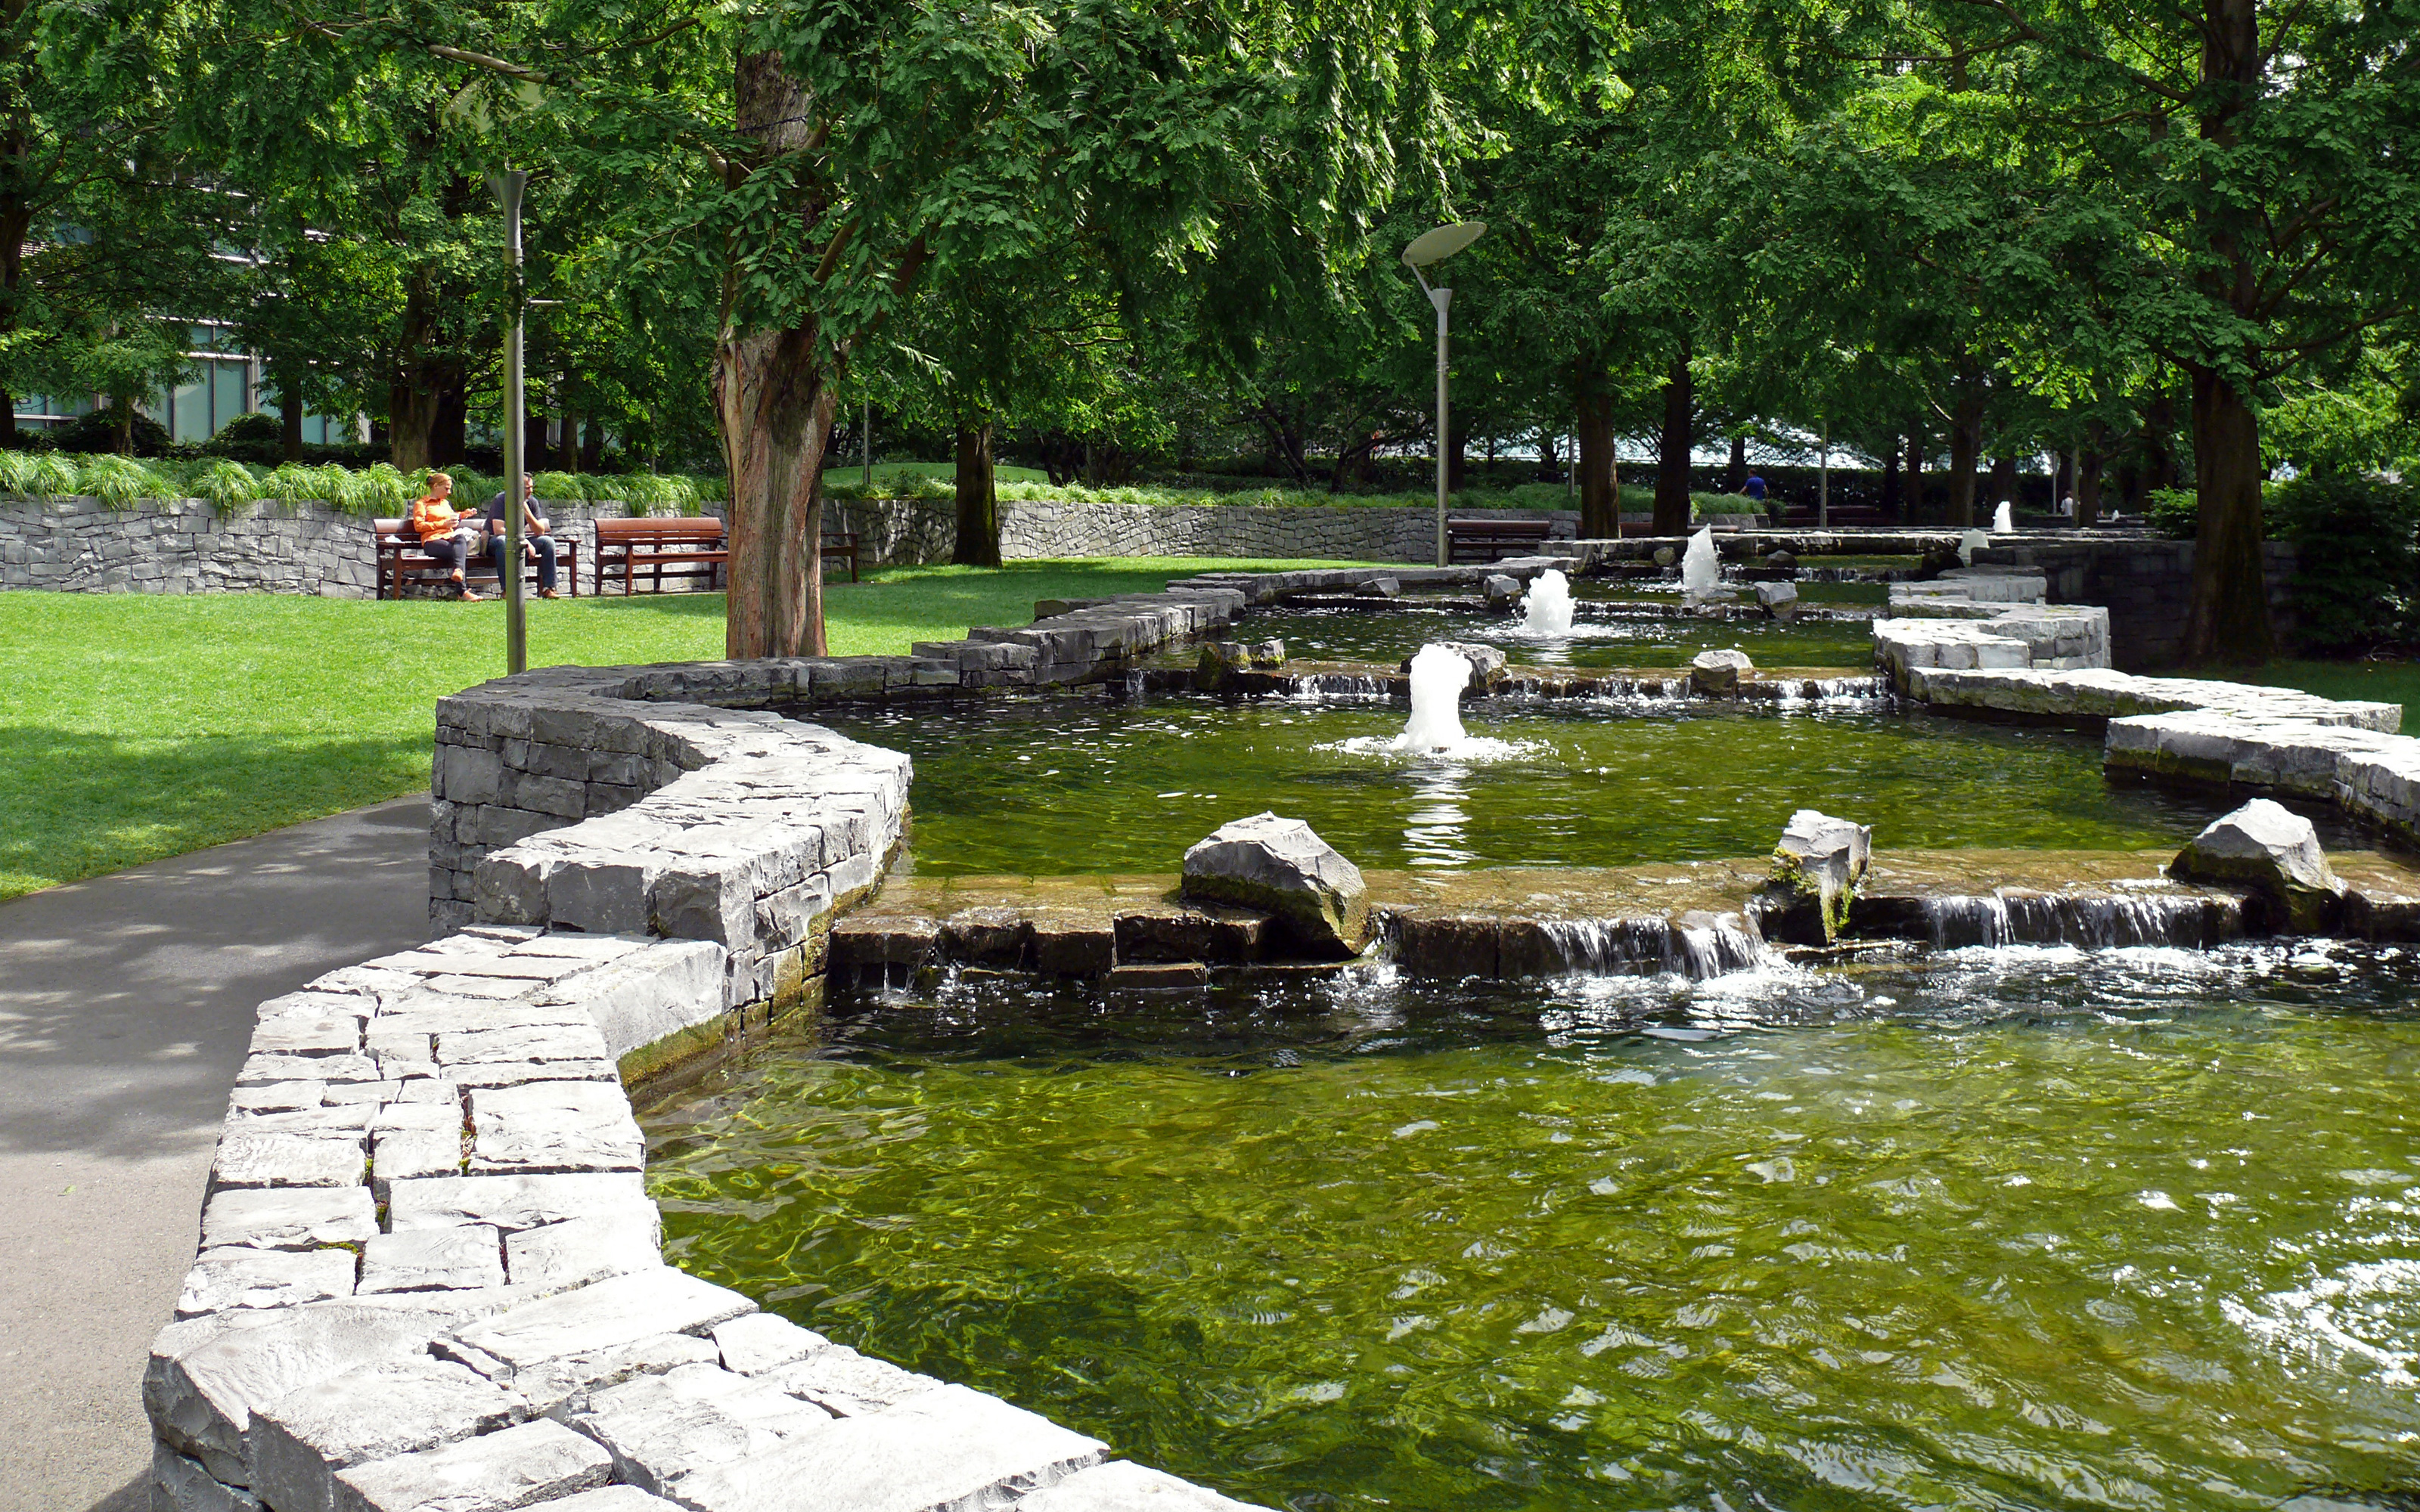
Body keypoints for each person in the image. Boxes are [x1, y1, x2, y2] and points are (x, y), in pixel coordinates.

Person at [407, 472, 483, 600]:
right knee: (459, 553)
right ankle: (462, 591)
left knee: (461, 539)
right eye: (446, 488)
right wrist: (443, 524)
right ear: (436, 486)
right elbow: (419, 526)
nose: (449, 492)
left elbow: (452, 518)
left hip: (449, 538)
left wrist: (464, 514)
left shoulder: (445, 504)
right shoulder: (422, 504)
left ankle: (460, 580)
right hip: (432, 542)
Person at [483, 475, 561, 599]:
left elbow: (540, 531)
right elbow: (498, 530)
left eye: (531, 487)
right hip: (495, 541)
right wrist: (524, 541)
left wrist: (527, 513)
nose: (531, 491)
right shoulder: (501, 500)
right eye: (527, 488)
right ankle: (507, 590)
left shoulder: (532, 502)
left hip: (518, 540)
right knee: (504, 542)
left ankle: (549, 588)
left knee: (548, 542)